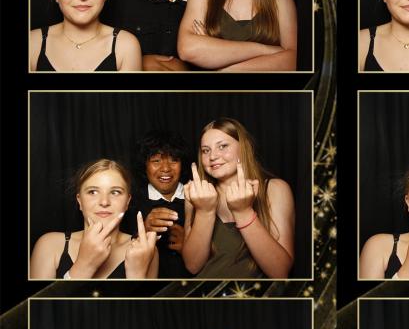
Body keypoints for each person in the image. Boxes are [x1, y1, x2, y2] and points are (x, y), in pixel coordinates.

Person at [181, 118, 295, 279]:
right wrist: (204, 211)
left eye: (223, 146)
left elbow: (280, 271)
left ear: (244, 147)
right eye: (206, 150)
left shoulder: (275, 189)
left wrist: (243, 212)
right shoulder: (196, 194)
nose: (213, 156)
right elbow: (192, 266)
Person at [29, 159, 158, 281]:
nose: (104, 202)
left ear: (127, 201)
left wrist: (137, 274)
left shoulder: (145, 248)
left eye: (115, 192)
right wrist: (84, 265)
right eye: (93, 192)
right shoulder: (49, 245)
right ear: (79, 200)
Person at [132, 129, 192, 279]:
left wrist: (190, 246)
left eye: (173, 160)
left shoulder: (199, 198)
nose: (165, 168)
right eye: (156, 161)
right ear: (144, 165)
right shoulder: (131, 201)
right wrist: (142, 233)